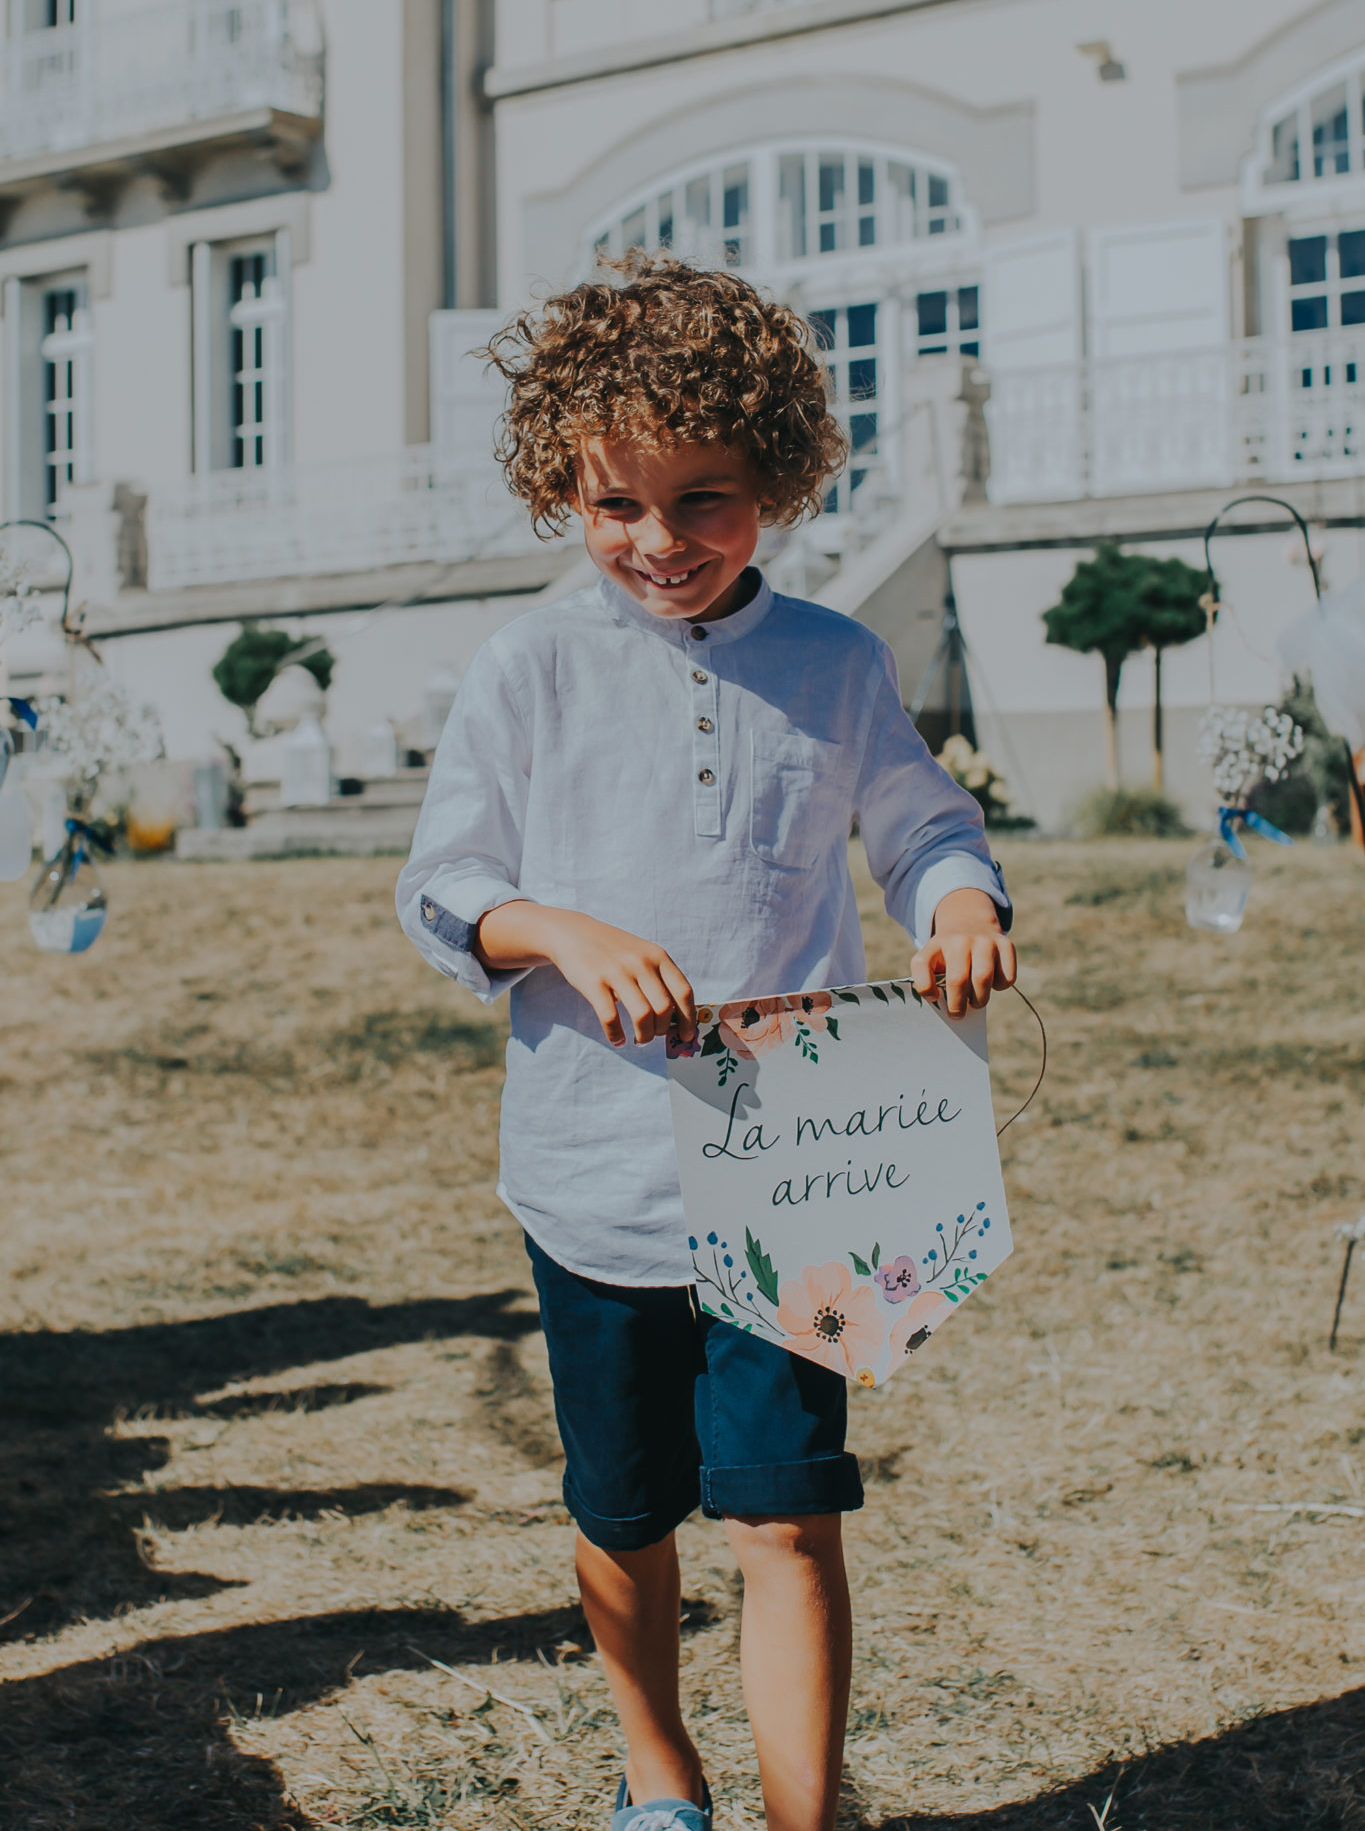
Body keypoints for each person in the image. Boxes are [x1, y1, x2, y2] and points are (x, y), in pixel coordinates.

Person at [396, 255, 1016, 1831]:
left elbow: (921, 822)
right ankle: (657, 1767)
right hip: (594, 1185)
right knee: (626, 1510)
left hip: (803, 1174)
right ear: (561, 488)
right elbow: (446, 884)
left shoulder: (835, 664)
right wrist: (560, 931)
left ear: (782, 484)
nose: (659, 541)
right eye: (615, 505)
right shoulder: (527, 669)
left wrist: (953, 900)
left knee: (789, 1521)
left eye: (704, 498)